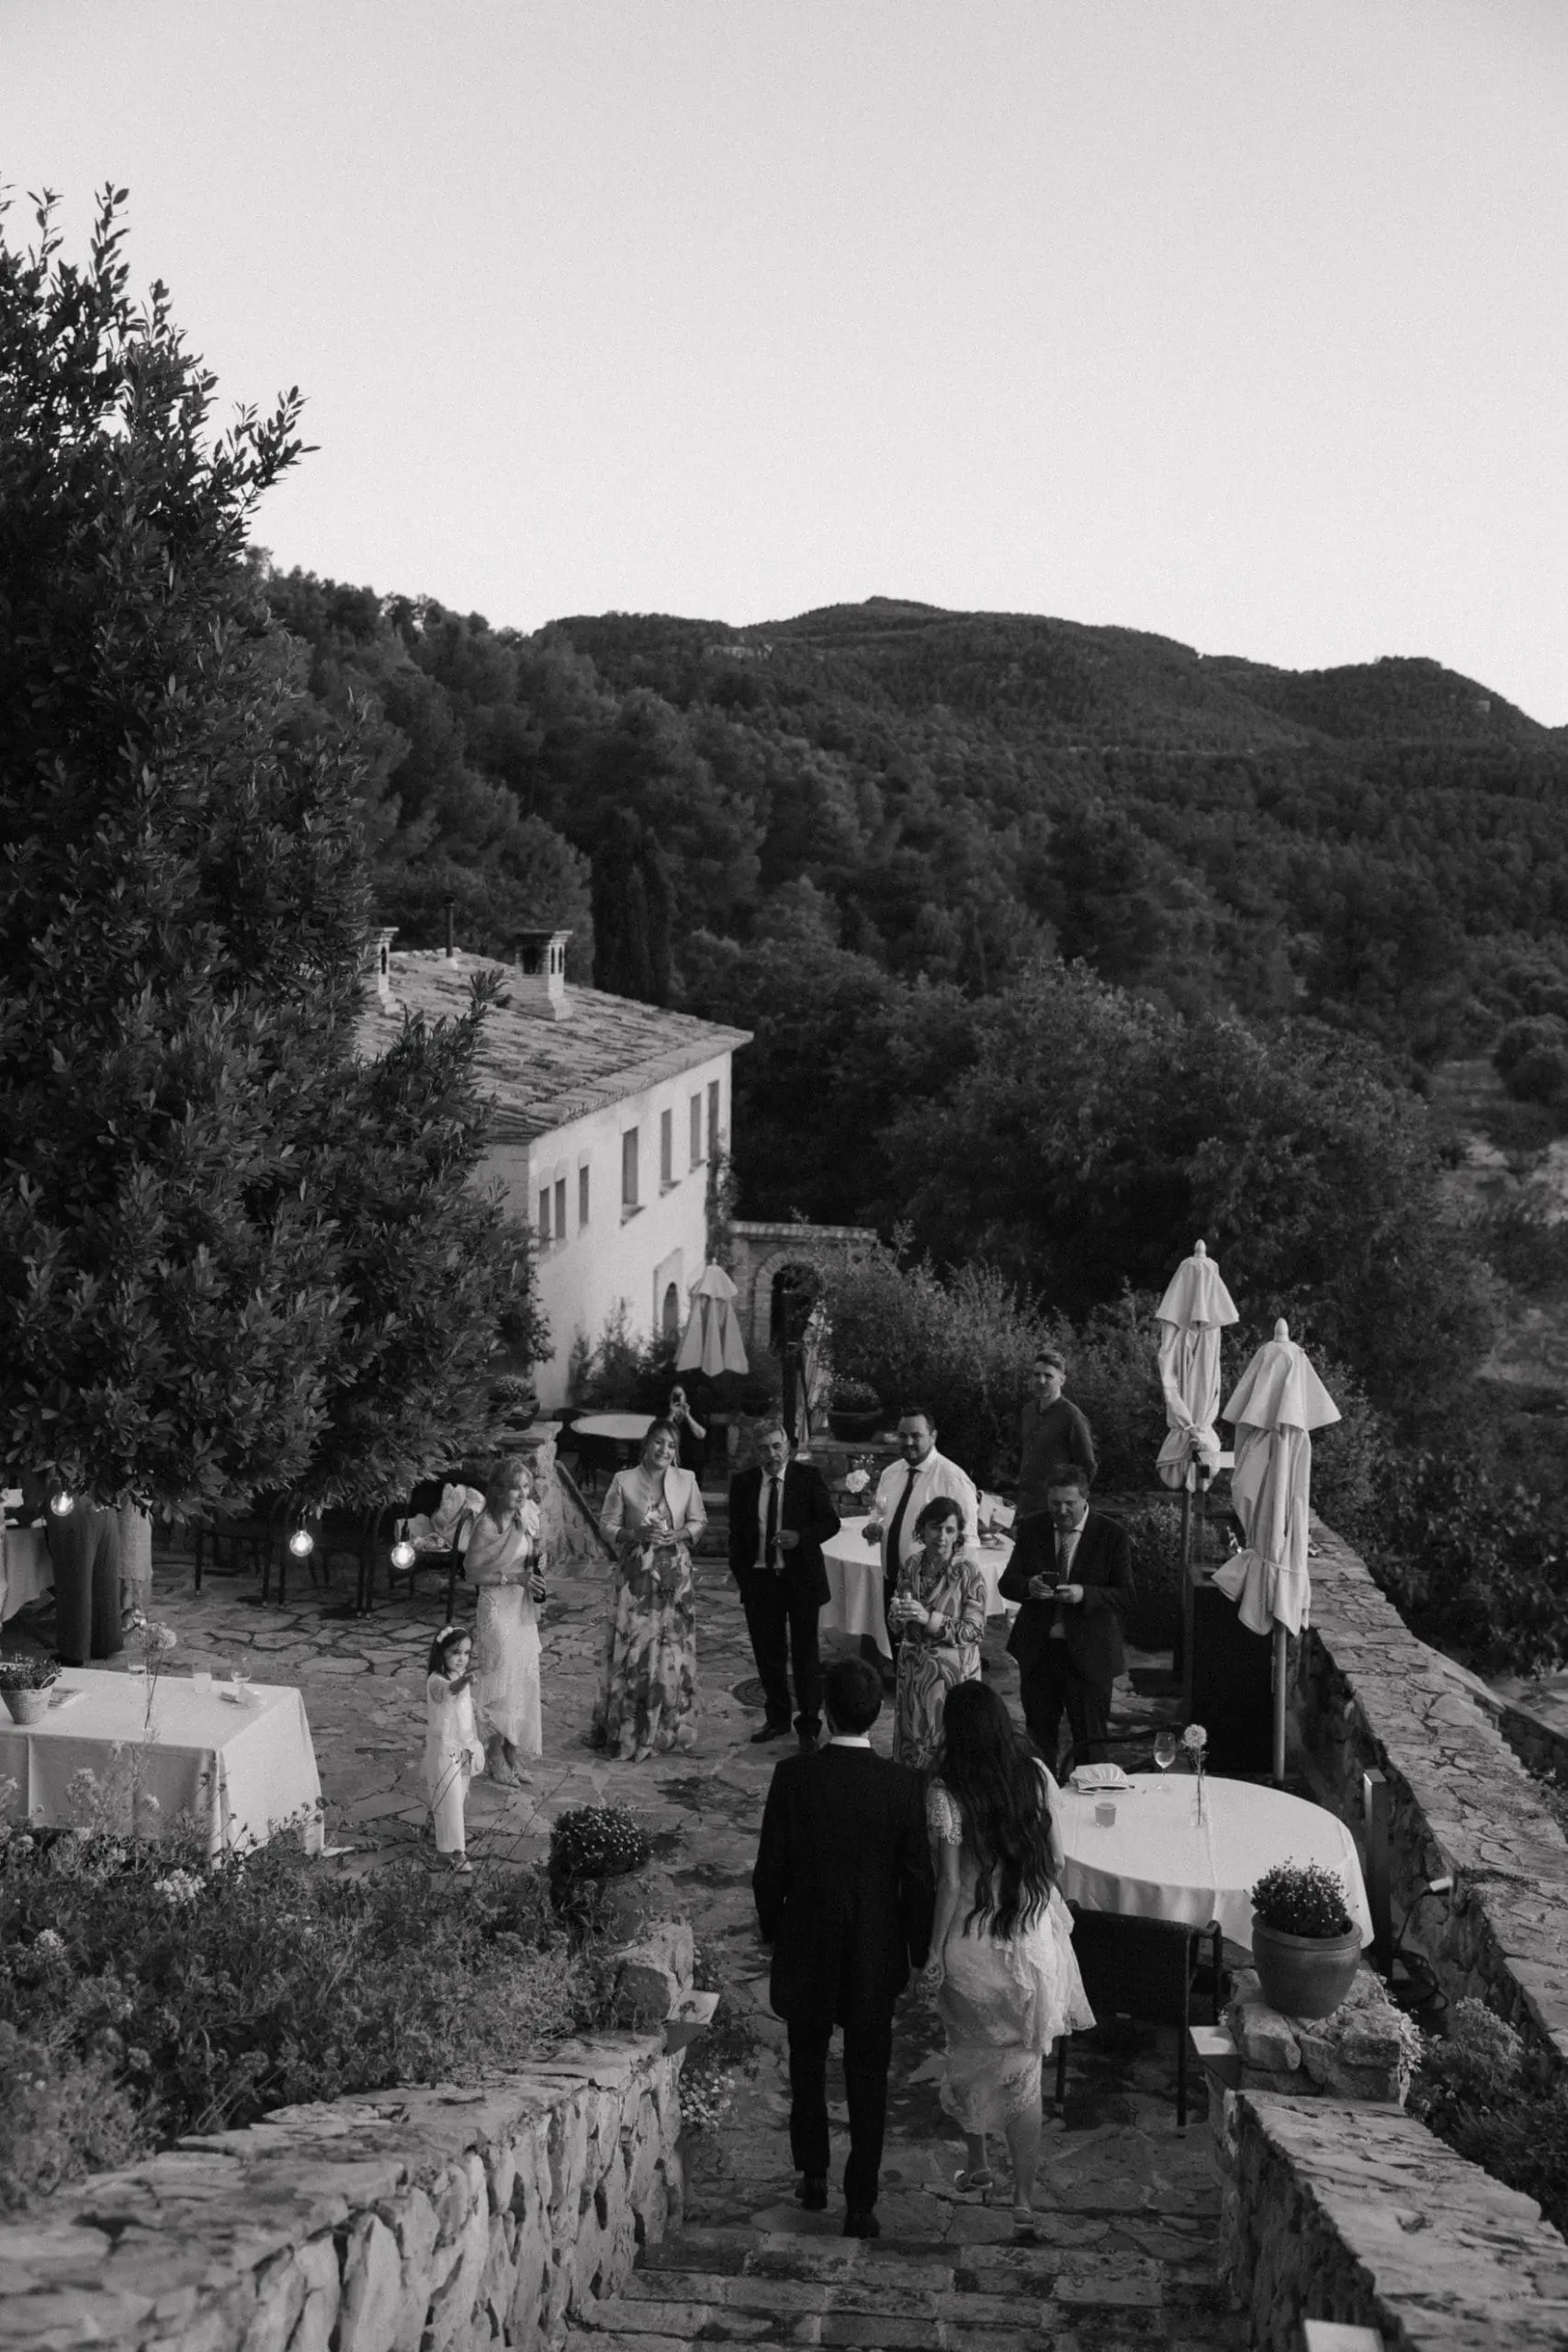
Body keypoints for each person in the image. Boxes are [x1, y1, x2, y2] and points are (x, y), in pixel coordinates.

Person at [753, 1657, 934, 2238]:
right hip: (872, 1952)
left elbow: (768, 1874)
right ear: (878, 1713)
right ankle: (861, 2201)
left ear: (826, 1711)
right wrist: (916, 1948)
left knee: (806, 2065)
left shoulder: (793, 1778)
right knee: (867, 2073)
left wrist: (774, 1929)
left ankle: (812, 2176)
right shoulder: (903, 1787)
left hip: (807, 1942)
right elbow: (918, 1879)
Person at [921, 1680, 1094, 2227]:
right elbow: (1059, 1863)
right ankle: (1021, 2198)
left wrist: (931, 1954)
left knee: (965, 2053)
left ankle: (977, 2167)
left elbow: (948, 1885)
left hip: (970, 1952)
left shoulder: (946, 1793)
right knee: (1024, 2076)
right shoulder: (1038, 1776)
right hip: (1029, 1945)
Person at [998, 1464, 1133, 1770]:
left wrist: (1084, 1594)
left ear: (1084, 1499)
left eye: (1068, 1504)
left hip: (1090, 1656)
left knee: (1090, 1744)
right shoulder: (1033, 1528)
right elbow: (1007, 1583)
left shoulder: (1111, 1535)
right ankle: (1043, 1803)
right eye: (1054, 1503)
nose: (1060, 1511)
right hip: (1040, 1652)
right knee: (1038, 1741)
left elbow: (1126, 1595)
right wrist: (1029, 1587)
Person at [592, 1419, 705, 1759]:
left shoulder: (687, 1480)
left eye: (671, 1446)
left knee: (671, 1648)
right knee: (636, 1649)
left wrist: (680, 1535)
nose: (664, 1451)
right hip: (637, 1576)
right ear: (647, 1444)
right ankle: (630, 1727)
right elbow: (606, 1524)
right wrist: (634, 1535)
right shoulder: (623, 1480)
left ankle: (667, 1728)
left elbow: (698, 1520)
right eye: (658, 1443)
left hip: (675, 1576)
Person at [728, 1419, 840, 1750]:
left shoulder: (807, 1478)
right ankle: (777, 1718)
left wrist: (800, 1538)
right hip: (761, 1582)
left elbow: (830, 1522)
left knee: (806, 1655)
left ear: (787, 1447)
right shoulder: (744, 1483)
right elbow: (737, 1537)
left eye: (776, 1446)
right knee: (768, 1655)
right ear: (755, 1451)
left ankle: (808, 1725)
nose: (771, 1454)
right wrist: (744, 1578)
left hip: (801, 1580)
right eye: (763, 1448)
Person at [863, 1406, 978, 1675]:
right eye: (903, 1436)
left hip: (933, 1589)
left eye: (917, 1435)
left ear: (933, 1436)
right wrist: (874, 1527)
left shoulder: (953, 1479)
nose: (909, 1442)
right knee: (902, 1655)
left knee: (934, 1663)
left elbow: (969, 1541)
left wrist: (950, 1591)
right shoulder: (892, 1473)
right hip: (895, 1581)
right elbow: (878, 1513)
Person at [466, 1455, 547, 1786]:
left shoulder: (525, 1516)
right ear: (498, 1491)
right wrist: (513, 1578)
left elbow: (533, 1555)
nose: (523, 1494)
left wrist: (537, 1570)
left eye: (526, 1486)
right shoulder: (485, 1525)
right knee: (501, 1680)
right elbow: (472, 1572)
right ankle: (496, 1757)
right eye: (515, 1488)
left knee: (522, 1679)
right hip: (496, 1608)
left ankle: (514, 1755)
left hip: (521, 1607)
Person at [889, 1497, 987, 1770]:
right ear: (923, 1529)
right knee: (912, 1753)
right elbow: (897, 1624)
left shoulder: (968, 1573)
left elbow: (975, 1631)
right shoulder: (910, 1565)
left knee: (950, 1757)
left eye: (950, 1530)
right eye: (935, 1528)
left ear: (958, 1534)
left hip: (952, 1683)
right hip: (912, 1675)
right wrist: (896, 1615)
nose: (942, 1537)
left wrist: (928, 1618)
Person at [424, 1623, 486, 1874]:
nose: (462, 1659)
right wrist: (464, 1682)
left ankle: (442, 1851)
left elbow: (463, 1701)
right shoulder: (436, 1681)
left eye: (467, 1653)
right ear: (442, 1654)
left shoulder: (458, 1678)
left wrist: (479, 1711)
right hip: (445, 1750)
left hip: (464, 1747)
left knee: (456, 1799)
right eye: (455, 1653)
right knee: (448, 1799)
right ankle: (457, 1853)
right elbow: (450, 1692)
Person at [1015, 1351, 1097, 1526]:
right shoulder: (1028, 1411)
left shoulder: (1072, 1417)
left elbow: (1087, 1465)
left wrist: (1070, 1504)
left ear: (1062, 1380)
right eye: (1037, 1374)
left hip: (1056, 1511)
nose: (1041, 1381)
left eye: (1048, 1376)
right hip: (1027, 1507)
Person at [667, 1384, 708, 1479]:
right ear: (670, 1397)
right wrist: (671, 1414)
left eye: (679, 1395)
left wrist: (688, 1416)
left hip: (692, 1458)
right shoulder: (666, 1411)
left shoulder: (694, 1411)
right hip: (672, 1459)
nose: (677, 1397)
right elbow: (661, 1433)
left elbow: (701, 1435)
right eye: (674, 1395)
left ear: (685, 1397)